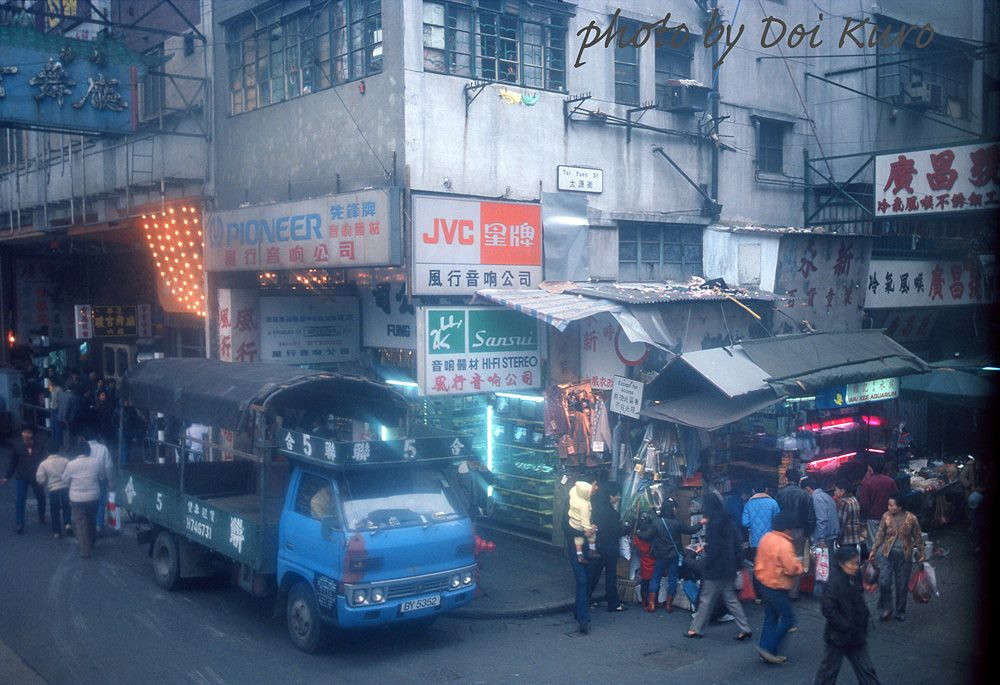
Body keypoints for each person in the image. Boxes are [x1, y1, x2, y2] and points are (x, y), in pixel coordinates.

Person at [685, 495, 752, 640]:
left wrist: (706, 557)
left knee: (706, 599)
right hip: (729, 566)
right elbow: (736, 543)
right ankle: (745, 628)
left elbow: (714, 549)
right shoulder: (728, 521)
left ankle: (695, 629)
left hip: (716, 568)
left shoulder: (713, 525)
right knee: (731, 599)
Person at [813, 546, 882, 685]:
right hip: (839, 636)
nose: (856, 567)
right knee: (828, 673)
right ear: (841, 563)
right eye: (852, 563)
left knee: (866, 670)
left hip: (855, 633)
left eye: (857, 563)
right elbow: (827, 608)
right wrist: (844, 624)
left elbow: (858, 597)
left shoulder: (854, 576)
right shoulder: (834, 582)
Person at [754, 511, 804, 665]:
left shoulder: (766, 538)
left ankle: (766, 649)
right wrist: (800, 566)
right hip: (778, 586)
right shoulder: (784, 544)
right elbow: (791, 568)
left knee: (771, 618)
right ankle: (768, 648)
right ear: (787, 529)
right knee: (788, 619)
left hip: (764, 583)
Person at [637, 497, 703, 612]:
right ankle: (669, 605)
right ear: (672, 509)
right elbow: (691, 530)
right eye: (675, 508)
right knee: (672, 579)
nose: (677, 510)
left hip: (660, 556)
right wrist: (700, 523)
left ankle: (651, 604)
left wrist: (638, 532)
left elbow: (646, 536)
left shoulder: (656, 523)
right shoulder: (677, 523)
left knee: (655, 577)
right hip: (674, 556)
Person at [868, 496, 924, 622]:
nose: (889, 507)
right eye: (889, 505)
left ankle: (900, 611)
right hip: (887, 554)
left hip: (905, 557)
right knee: (884, 582)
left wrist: (921, 552)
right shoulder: (886, 517)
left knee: (902, 585)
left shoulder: (911, 518)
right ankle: (887, 608)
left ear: (900, 507)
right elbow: (879, 535)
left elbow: (918, 536)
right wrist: (874, 550)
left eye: (892, 505)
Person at [565, 478, 599, 634]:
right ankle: (583, 618)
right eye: (594, 485)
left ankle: (579, 611)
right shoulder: (572, 503)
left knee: (585, 580)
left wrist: (593, 529)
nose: (596, 488)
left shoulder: (590, 502)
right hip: (575, 546)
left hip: (587, 546)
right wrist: (583, 532)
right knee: (582, 579)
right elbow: (565, 526)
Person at [775, 469, 814, 599]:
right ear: (799, 480)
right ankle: (794, 592)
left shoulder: (780, 493)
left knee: (782, 559)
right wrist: (808, 532)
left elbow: (777, 513)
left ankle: (783, 588)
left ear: (786, 479)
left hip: (783, 531)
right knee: (798, 560)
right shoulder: (805, 495)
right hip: (799, 531)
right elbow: (810, 517)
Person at [588, 482, 626, 612]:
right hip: (610, 548)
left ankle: (585, 599)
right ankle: (613, 603)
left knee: (594, 575)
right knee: (610, 576)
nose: (619, 498)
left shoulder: (597, 507)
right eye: (617, 495)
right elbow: (617, 532)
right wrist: (628, 528)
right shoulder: (613, 514)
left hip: (598, 545)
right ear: (611, 496)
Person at [2, 427, 47, 533]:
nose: (26, 435)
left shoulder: (39, 445)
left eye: (29, 433)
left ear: (32, 434)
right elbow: (13, 463)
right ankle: (19, 523)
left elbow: (44, 462)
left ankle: (41, 515)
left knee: (41, 497)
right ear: (21, 433)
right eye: (24, 432)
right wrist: (7, 477)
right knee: (20, 500)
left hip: (36, 476)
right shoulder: (17, 446)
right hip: (21, 476)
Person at [62, 439, 102, 558]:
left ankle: (85, 550)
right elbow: (101, 476)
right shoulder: (96, 462)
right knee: (91, 519)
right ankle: (92, 541)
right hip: (93, 497)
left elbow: (64, 479)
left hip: (76, 499)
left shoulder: (71, 464)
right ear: (88, 451)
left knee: (80, 523)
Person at [802, 478, 840, 597]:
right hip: (831, 533)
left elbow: (822, 519)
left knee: (822, 564)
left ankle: (822, 592)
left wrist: (821, 538)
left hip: (825, 535)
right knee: (828, 563)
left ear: (808, 489)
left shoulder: (817, 498)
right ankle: (831, 590)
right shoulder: (826, 496)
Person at [742, 482, 780, 599]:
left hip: (756, 542)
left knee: (758, 568)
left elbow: (744, 522)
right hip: (771, 541)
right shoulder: (773, 503)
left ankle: (758, 596)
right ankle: (770, 593)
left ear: (753, 490)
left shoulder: (749, 504)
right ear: (766, 489)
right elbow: (778, 521)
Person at [859, 461, 897, 552]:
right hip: (889, 516)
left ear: (871, 469)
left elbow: (864, 504)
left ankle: (877, 565)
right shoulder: (890, 481)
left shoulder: (867, 483)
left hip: (874, 518)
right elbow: (896, 497)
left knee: (874, 544)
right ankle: (887, 564)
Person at [36, 447, 72, 538]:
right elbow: (70, 472)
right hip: (65, 487)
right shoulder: (65, 460)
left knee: (54, 510)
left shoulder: (43, 464)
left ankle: (57, 532)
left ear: (47, 451)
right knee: (66, 507)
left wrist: (45, 483)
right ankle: (67, 524)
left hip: (53, 488)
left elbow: (40, 479)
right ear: (59, 450)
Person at [85, 430, 115, 535]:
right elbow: (108, 466)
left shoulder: (83, 447)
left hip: (87, 478)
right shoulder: (103, 448)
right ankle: (98, 525)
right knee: (101, 503)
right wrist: (110, 479)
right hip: (101, 479)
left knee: (88, 502)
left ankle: (88, 525)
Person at [567, 480, 598, 564]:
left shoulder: (574, 492)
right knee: (592, 535)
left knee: (578, 539)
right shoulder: (583, 505)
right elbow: (585, 520)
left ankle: (579, 555)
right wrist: (589, 529)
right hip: (580, 525)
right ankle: (592, 550)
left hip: (573, 522)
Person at [834, 481, 864, 554]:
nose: (834, 492)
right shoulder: (854, 500)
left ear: (842, 491)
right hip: (855, 536)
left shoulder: (843, 502)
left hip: (846, 537)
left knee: (845, 559)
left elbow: (840, 522)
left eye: (836, 490)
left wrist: (837, 536)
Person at [633, 512, 656, 607]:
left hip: (644, 562)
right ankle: (653, 601)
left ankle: (644, 601)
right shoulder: (653, 538)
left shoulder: (638, 539)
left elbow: (634, 545)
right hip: (654, 562)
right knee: (654, 582)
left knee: (644, 582)